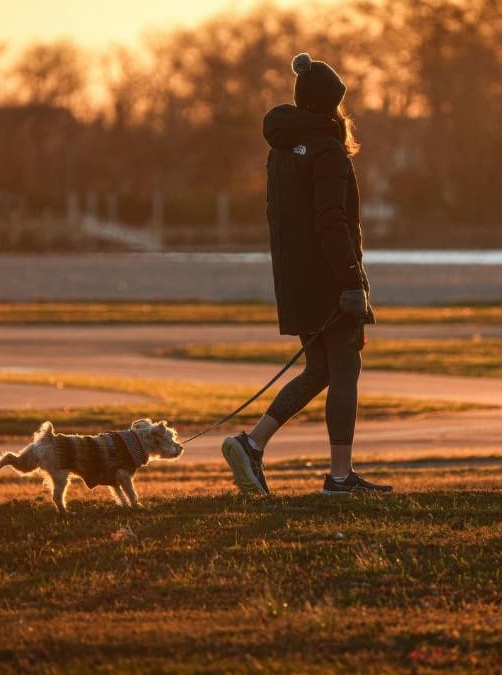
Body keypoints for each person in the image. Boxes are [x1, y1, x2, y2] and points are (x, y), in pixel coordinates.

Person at [221, 53, 392, 496]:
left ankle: (251, 443)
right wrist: (353, 285)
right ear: (331, 105)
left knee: (319, 369)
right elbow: (331, 224)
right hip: (329, 281)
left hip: (294, 281)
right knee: (346, 367)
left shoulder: (281, 149)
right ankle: (339, 477)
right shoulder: (328, 152)